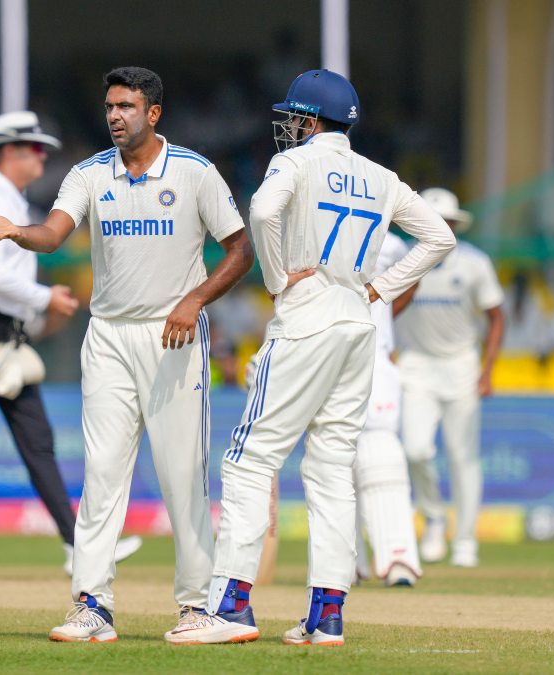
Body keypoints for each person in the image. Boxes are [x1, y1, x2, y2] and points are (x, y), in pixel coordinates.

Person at [168, 69, 455, 647]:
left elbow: (264, 211)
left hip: (307, 316)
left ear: (310, 118)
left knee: (250, 460)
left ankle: (231, 607)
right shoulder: (380, 175)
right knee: (331, 468)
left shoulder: (294, 163)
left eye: (294, 117)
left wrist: (277, 280)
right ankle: (327, 616)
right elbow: (440, 237)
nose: (289, 127)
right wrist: (381, 288)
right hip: (357, 322)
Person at [0, 66, 253, 643]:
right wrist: (15, 231)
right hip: (107, 337)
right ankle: (91, 605)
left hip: (172, 335)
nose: (115, 116)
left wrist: (194, 300)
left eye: (126, 106)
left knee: (182, 476)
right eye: (109, 107)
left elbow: (240, 250)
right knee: (102, 474)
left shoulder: (195, 172)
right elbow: (53, 233)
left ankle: (197, 608)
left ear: (154, 113)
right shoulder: (88, 173)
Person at [0, 109, 142, 581]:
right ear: (10, 151)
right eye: (34, 148)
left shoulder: (5, 196)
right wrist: (44, 297)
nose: (41, 156)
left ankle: (77, 543)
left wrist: (34, 314)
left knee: (37, 444)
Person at [397, 187, 505, 568]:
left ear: (456, 226)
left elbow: (495, 317)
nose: (441, 228)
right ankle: (434, 517)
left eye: (447, 223)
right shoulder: (403, 258)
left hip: (461, 365)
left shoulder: (475, 263)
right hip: (415, 366)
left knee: (463, 457)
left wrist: (487, 370)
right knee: (416, 449)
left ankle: (464, 541)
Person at [354, 234, 422, 587]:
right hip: (317, 351)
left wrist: (386, 322)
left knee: (380, 446)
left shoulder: (386, 237)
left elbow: (427, 252)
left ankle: (398, 558)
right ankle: (340, 562)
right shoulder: (296, 219)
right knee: (327, 456)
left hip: (372, 356)